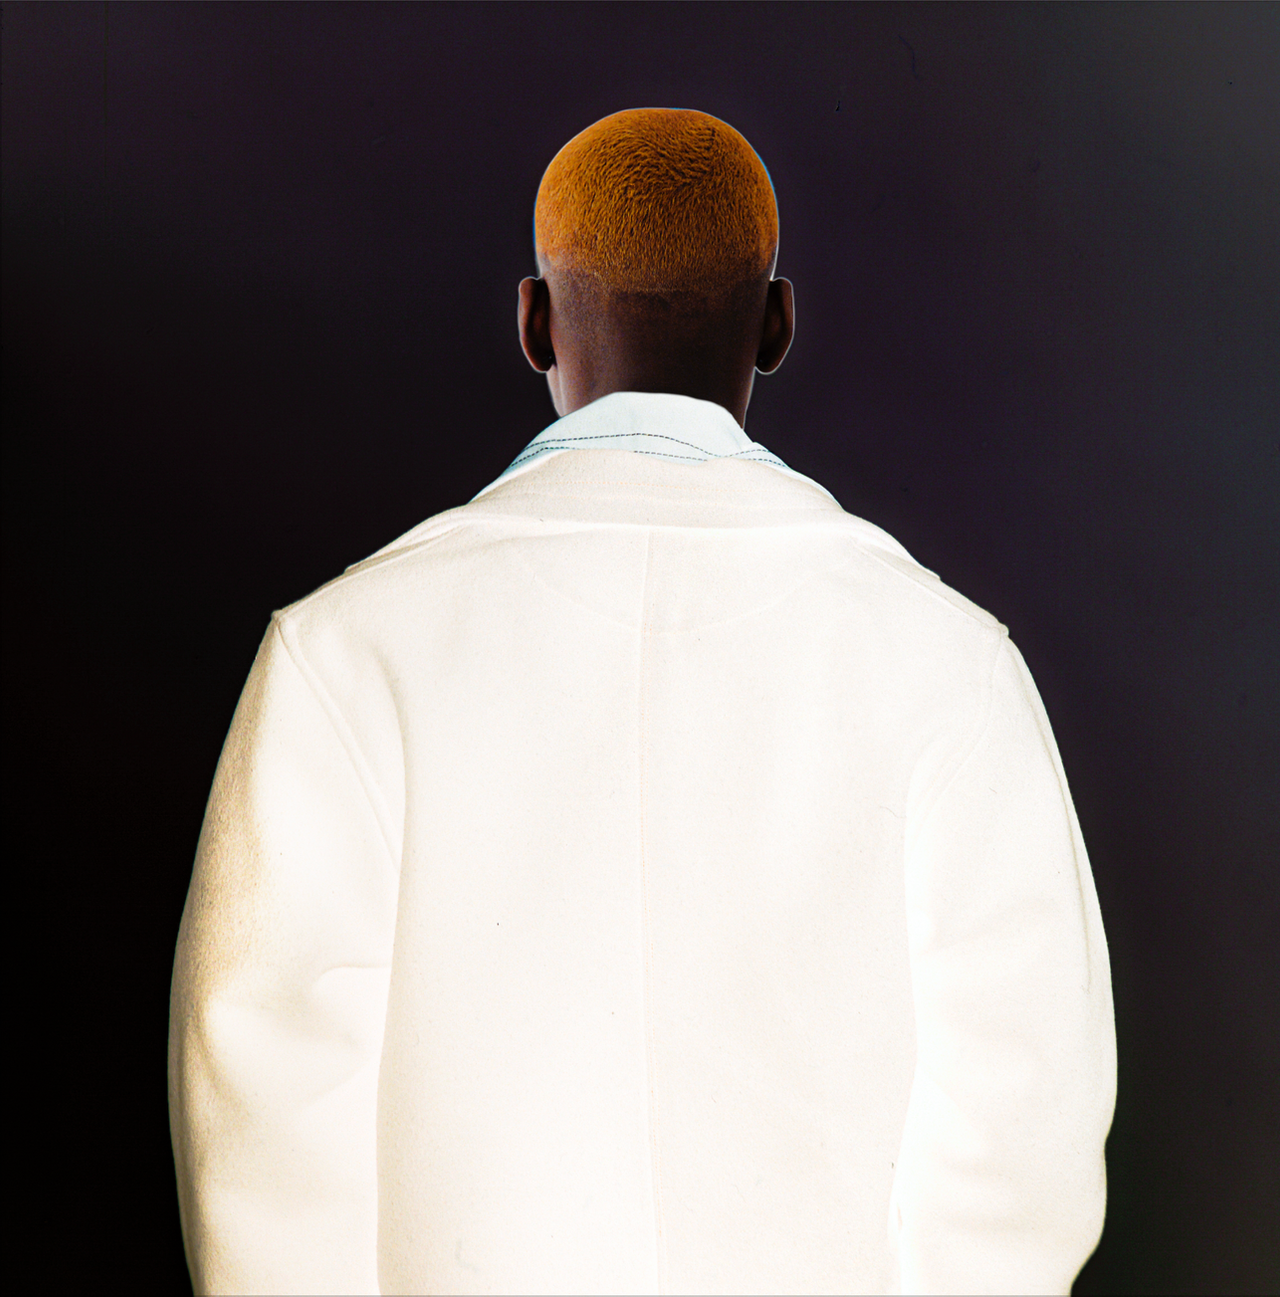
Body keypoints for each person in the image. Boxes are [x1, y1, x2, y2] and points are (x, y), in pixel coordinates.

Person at [169, 108, 1116, 1296]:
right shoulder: (949, 662)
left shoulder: (343, 652)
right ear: (776, 325)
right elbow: (1021, 1114)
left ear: (532, 322)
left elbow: (266, 1111)